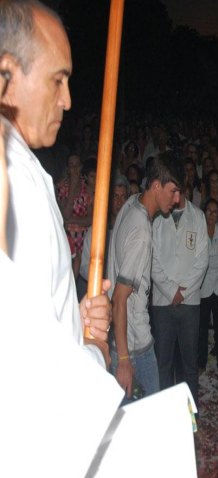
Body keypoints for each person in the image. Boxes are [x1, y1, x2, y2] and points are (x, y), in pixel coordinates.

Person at [1, 0, 110, 367]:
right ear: (8, 76)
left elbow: (29, 320)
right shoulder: (13, 181)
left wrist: (71, 320)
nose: (67, 100)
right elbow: (33, 374)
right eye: (57, 80)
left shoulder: (24, 166)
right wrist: (95, 349)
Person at [108, 152, 182, 404]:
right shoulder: (141, 231)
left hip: (122, 340)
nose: (177, 199)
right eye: (173, 191)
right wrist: (125, 361)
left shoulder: (130, 203)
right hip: (134, 345)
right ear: (155, 186)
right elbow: (119, 299)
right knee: (150, 424)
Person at [150, 163, 209, 405]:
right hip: (162, 302)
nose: (176, 196)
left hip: (189, 302)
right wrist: (170, 290)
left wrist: (182, 291)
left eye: (181, 189)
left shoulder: (198, 217)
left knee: (189, 364)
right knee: (163, 363)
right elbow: (151, 258)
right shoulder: (156, 217)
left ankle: (190, 418)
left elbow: (202, 260)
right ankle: (165, 416)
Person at [78, 175, 130, 300]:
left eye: (123, 197)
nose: (119, 202)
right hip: (101, 295)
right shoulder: (96, 230)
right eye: (115, 197)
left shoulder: (132, 230)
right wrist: (101, 276)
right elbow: (84, 266)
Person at [198, 198, 218, 375]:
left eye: (215, 211)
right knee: (201, 327)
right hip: (202, 284)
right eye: (209, 211)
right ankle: (200, 361)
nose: (211, 215)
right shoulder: (199, 230)